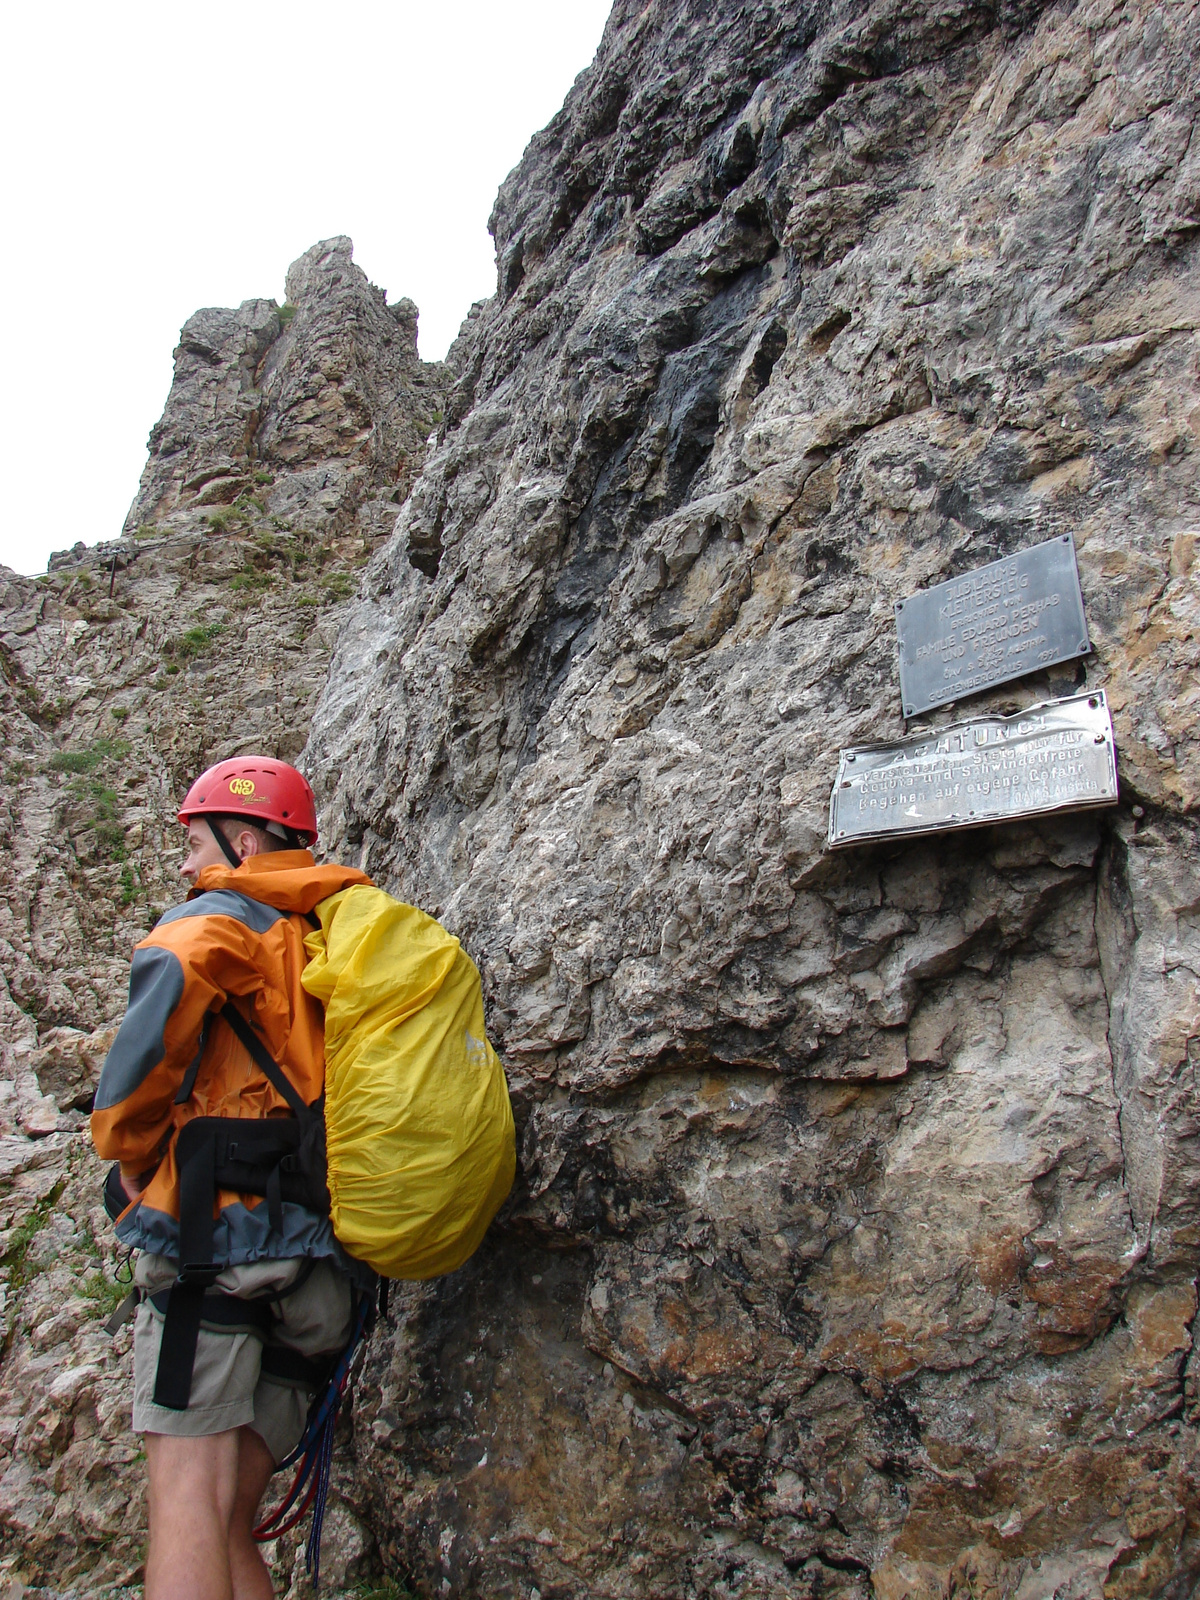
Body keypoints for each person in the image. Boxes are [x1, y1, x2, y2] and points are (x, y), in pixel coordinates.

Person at [92, 757, 374, 1600]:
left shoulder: (216, 920)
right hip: (325, 1277)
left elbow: (141, 1062)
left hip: (220, 1246)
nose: (184, 865)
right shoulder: (339, 928)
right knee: (230, 1518)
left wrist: (133, 1158)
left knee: (186, 1501)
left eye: (193, 841)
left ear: (242, 837)